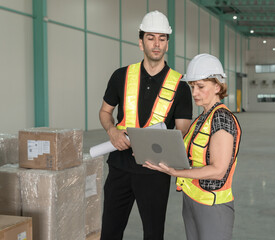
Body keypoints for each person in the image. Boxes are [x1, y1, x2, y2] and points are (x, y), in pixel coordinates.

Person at [99, 10, 193, 240]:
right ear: (141, 42)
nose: (156, 44)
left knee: (153, 233)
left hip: (155, 170)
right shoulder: (121, 76)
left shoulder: (180, 86)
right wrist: (112, 130)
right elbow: (105, 112)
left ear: (167, 44)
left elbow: (182, 129)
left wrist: (158, 140)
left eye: (162, 38)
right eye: (150, 37)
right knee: (110, 231)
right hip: (120, 166)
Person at [144, 53, 242, 240]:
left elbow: (218, 171)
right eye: (192, 86)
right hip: (191, 200)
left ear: (217, 86)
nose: (194, 92)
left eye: (200, 86)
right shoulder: (201, 119)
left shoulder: (222, 119)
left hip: (213, 207)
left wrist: (175, 172)